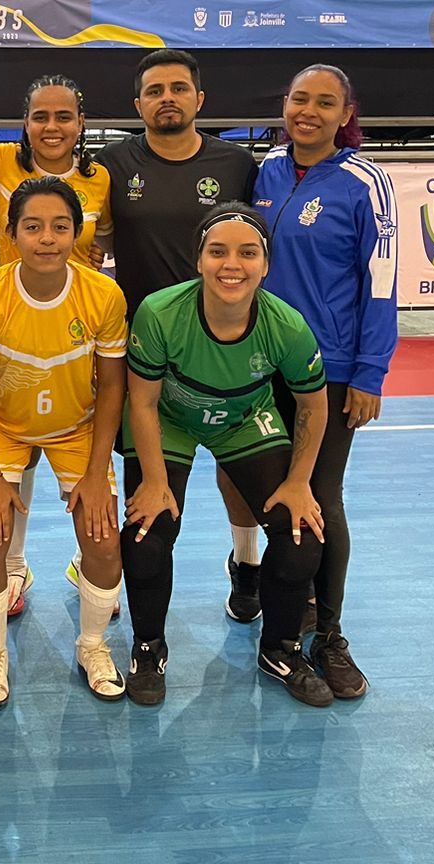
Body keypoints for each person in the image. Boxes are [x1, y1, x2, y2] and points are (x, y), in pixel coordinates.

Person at [120, 203, 332, 709]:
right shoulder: (159, 313)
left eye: (247, 253)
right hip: (170, 417)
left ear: (266, 265)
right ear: (199, 261)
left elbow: (312, 405)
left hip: (244, 418)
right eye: (217, 252)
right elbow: (142, 403)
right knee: (148, 534)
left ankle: (279, 649)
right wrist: (154, 482)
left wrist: (299, 482)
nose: (231, 264)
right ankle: (148, 648)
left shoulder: (287, 326)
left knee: (299, 536)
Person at [94, 48, 266, 626]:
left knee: (235, 467)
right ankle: (103, 572)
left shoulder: (237, 164)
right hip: (144, 354)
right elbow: (92, 235)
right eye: (154, 90)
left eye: (178, 88)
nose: (166, 98)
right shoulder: (112, 164)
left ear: (199, 99)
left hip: (228, 346)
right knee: (143, 485)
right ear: (137, 103)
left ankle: (246, 563)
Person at [0, 177, 128, 707]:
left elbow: (113, 386)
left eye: (60, 226)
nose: (47, 238)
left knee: (104, 540)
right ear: (11, 234)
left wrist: (96, 474)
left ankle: (92, 645)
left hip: (78, 426)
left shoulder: (104, 295)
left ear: (76, 233)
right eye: (33, 226)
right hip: (2, 426)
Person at [254, 64, 396, 700]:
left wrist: (369, 371)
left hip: (331, 371)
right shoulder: (266, 171)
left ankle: (329, 635)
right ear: (284, 105)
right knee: (275, 493)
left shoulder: (366, 182)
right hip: (260, 367)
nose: (308, 111)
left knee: (320, 493)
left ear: (346, 113)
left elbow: (381, 281)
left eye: (324, 102)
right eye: (299, 99)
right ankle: (293, 607)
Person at [0, 74, 113, 609]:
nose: (52, 127)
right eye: (40, 117)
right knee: (17, 450)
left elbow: (107, 237)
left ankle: (85, 562)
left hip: (75, 332)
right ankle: (13, 567)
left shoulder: (100, 177)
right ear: (24, 123)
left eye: (64, 116)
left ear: (81, 123)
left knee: (70, 442)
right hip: (8, 328)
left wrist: (92, 259)